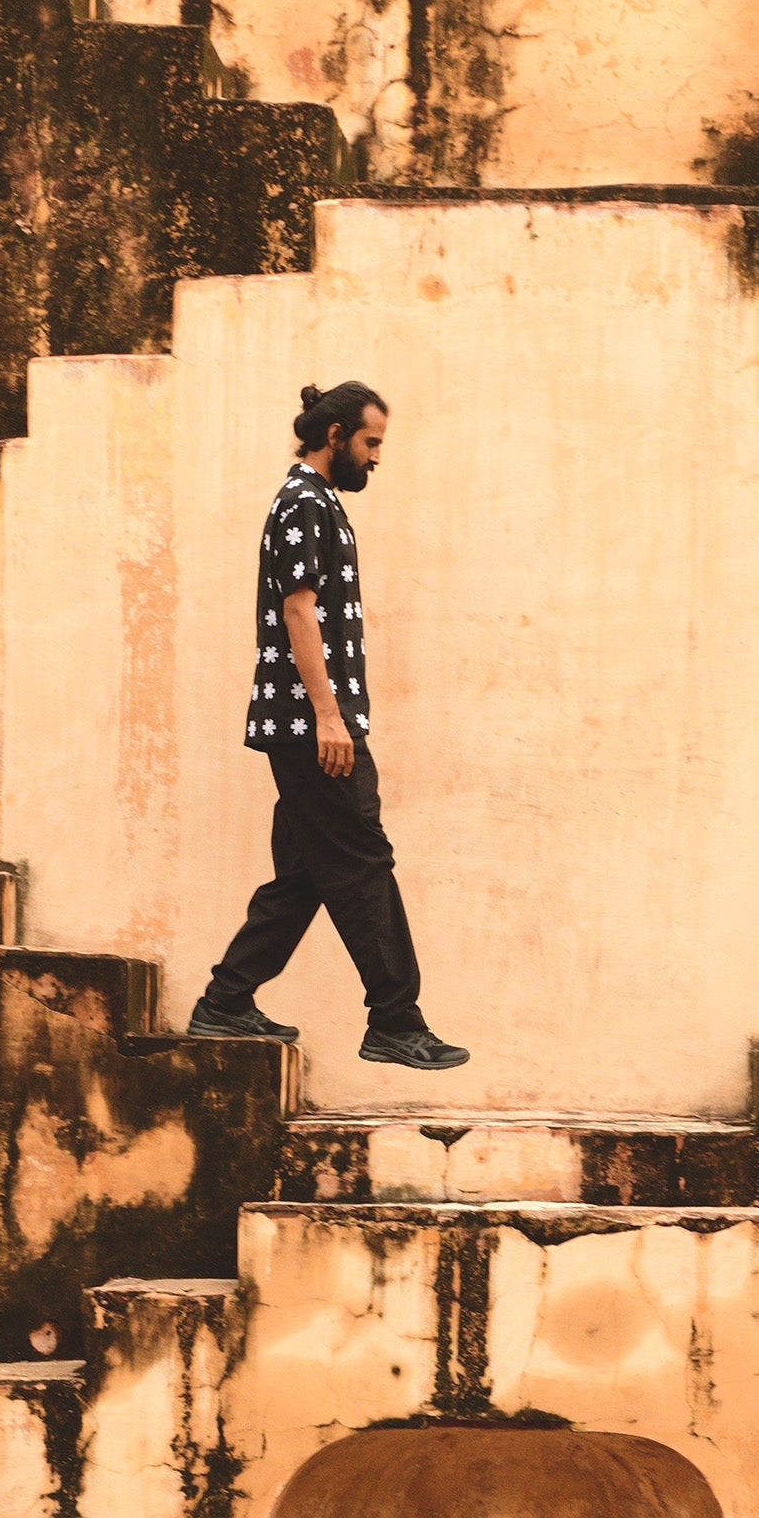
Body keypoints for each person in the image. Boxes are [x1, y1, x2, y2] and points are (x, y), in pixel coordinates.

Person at [188, 379, 467, 1070]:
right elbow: (297, 612)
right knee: (365, 862)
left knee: (308, 874)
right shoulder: (304, 503)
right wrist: (328, 717)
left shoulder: (319, 505)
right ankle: (396, 1019)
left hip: (313, 725)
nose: (377, 456)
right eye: (371, 442)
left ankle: (224, 1004)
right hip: (315, 730)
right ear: (336, 435)